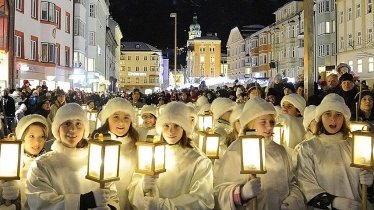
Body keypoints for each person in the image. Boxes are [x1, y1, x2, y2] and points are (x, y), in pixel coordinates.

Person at [214, 97, 306, 210]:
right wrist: (241, 193)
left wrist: (292, 201)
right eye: (263, 122)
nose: (269, 126)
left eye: (272, 122)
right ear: (251, 123)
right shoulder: (236, 151)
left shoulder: (279, 150)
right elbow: (219, 192)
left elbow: (291, 182)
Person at [26, 103, 120, 209]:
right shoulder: (42, 165)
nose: (73, 129)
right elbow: (42, 203)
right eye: (67, 124)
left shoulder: (97, 159)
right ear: (58, 129)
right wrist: (86, 201)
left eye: (78, 124)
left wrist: (110, 207)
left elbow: (111, 194)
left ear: (85, 129)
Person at [128, 102, 214, 209]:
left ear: (184, 128)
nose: (171, 131)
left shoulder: (199, 160)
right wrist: (142, 187)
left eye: (176, 125)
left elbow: (203, 200)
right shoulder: (149, 152)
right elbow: (132, 189)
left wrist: (164, 206)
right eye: (166, 125)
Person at [297, 93, 373, 210]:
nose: (333, 119)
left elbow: (366, 172)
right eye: (328, 114)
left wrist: (370, 178)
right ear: (320, 117)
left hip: (356, 205)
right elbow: (305, 183)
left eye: (338, 114)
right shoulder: (308, 148)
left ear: (344, 118)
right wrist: (332, 202)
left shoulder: (355, 145)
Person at [92, 97, 139, 210]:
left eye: (126, 118)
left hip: (129, 200)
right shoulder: (96, 144)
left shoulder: (137, 144)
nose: (121, 122)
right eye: (116, 117)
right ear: (107, 119)